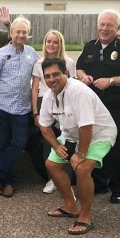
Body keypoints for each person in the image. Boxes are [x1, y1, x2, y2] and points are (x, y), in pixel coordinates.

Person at [38, 58, 117, 235]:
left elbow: (86, 127)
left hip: (99, 134)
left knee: (82, 169)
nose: (52, 79)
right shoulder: (49, 97)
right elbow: (44, 126)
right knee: (51, 164)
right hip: (72, 135)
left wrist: (80, 155)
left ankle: (84, 216)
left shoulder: (78, 92)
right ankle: (71, 206)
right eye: (47, 76)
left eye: (56, 74)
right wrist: (57, 146)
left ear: (65, 73)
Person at [76, 9, 120, 204]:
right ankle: (100, 182)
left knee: (116, 145)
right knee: (94, 143)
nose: (104, 28)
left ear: (117, 27)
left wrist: (110, 81)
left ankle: (119, 187)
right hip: (92, 107)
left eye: (109, 25)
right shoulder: (90, 46)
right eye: (102, 24)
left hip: (115, 106)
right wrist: (83, 76)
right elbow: (79, 67)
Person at [0, 17, 40, 197]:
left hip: (22, 108)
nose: (21, 35)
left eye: (24, 32)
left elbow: (42, 71)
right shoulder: (0, 53)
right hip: (2, 107)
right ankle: (6, 182)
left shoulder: (32, 53)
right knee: (1, 145)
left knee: (19, 142)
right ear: (11, 33)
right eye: (18, 31)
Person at [31, 30, 76, 194]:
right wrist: (35, 112)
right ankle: (52, 179)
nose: (51, 45)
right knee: (48, 141)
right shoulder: (39, 62)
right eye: (48, 41)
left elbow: (72, 84)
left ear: (60, 44)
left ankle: (67, 179)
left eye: (55, 42)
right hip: (45, 102)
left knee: (67, 139)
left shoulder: (69, 62)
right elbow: (35, 88)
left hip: (65, 102)